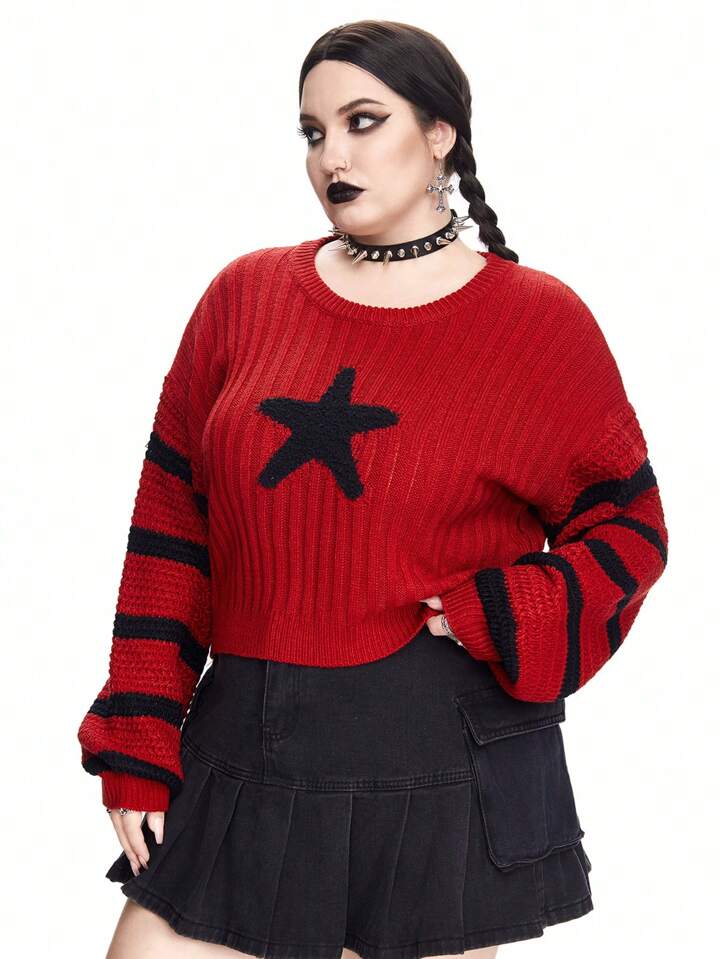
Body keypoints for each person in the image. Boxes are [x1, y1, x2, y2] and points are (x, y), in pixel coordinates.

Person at [78, 19, 669, 959]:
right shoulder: (245, 297)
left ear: (439, 134)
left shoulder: (534, 323)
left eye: (363, 121)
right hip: (244, 742)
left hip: (435, 758)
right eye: (313, 132)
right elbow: (170, 532)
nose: (333, 157)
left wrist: (500, 610)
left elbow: (630, 528)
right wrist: (140, 737)